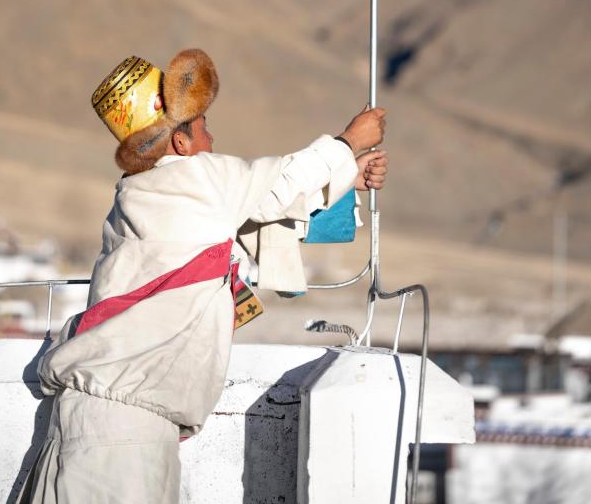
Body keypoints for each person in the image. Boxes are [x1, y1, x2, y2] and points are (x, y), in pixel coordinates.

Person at [21, 49, 388, 504]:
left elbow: (252, 218)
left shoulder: (144, 196)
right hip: (123, 438)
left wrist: (347, 178)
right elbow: (278, 186)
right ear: (179, 142)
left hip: (96, 422)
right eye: (204, 127)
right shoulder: (198, 180)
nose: (212, 140)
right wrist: (348, 142)